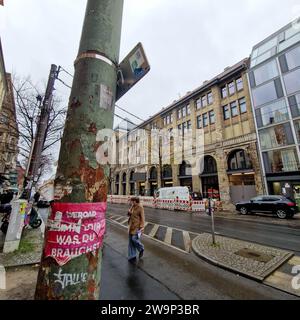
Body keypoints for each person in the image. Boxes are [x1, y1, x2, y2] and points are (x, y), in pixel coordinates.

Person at [127, 197, 145, 262]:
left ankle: (141, 248)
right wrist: (129, 211)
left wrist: (142, 227)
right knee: (130, 242)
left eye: (132, 201)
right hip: (131, 226)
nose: (131, 202)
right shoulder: (132, 207)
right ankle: (132, 256)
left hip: (137, 227)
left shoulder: (140, 207)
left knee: (134, 239)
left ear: (135, 201)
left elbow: (143, 218)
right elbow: (129, 215)